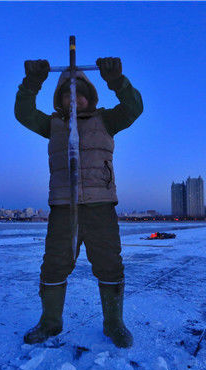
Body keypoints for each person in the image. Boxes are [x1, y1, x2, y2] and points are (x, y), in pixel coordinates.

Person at [14, 57, 143, 348]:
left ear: (91, 96)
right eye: (67, 95)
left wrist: (116, 80)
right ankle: (50, 322)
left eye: (80, 93)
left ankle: (114, 324)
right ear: (59, 100)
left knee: (110, 265)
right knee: (54, 266)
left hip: (101, 208)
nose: (74, 99)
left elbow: (134, 108)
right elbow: (23, 113)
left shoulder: (106, 120)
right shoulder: (52, 125)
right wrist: (32, 81)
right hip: (63, 208)